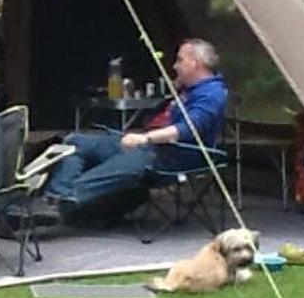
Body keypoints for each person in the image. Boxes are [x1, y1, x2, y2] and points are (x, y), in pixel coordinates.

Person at [37, 38, 229, 221]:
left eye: (180, 60)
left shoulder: (211, 94)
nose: (174, 66)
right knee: (76, 141)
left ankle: (60, 203)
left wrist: (145, 139)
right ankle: (56, 196)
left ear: (195, 63)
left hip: (174, 156)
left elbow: (186, 129)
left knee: (119, 167)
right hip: (153, 146)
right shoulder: (189, 89)